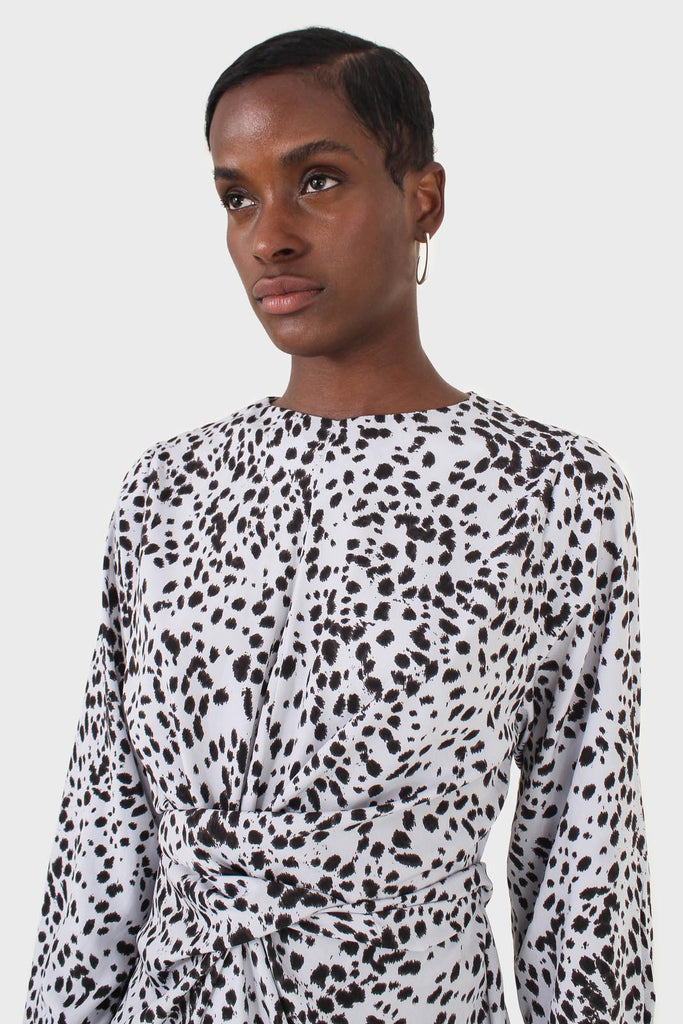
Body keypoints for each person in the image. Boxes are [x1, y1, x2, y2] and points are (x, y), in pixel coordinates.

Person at [24, 25, 655, 1024]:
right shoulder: (167, 488)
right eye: (236, 196)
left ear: (422, 198)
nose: (268, 235)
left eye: (316, 181)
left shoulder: (548, 492)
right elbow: (106, 829)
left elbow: (583, 860)